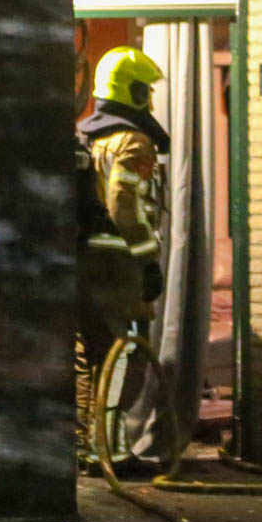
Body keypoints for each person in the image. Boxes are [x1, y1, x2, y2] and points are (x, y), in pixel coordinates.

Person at [77, 44, 173, 373]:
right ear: (134, 92)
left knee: (91, 361)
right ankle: (115, 411)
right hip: (121, 269)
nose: (151, 102)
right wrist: (148, 262)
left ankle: (91, 410)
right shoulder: (134, 142)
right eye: (147, 92)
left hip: (85, 261)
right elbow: (123, 207)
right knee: (127, 363)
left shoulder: (88, 136)